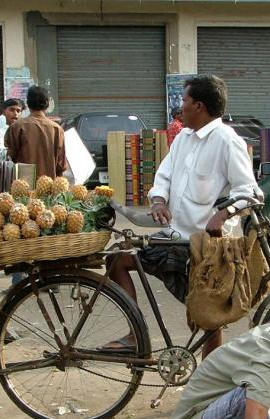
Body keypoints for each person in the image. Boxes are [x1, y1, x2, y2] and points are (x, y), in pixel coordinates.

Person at [105, 74, 260, 356]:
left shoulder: (227, 141)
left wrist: (223, 215)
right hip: (174, 238)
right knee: (118, 259)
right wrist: (159, 201)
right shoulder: (183, 139)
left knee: (208, 318)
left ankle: (209, 387)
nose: (181, 107)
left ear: (199, 106)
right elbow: (163, 176)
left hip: (207, 247)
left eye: (185, 101)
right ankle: (134, 336)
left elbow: (250, 191)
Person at [4, 85, 66, 179]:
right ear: (47, 104)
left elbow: (9, 159)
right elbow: (61, 165)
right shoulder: (57, 129)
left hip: (23, 188)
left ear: (28, 103)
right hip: (50, 188)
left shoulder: (17, 127)